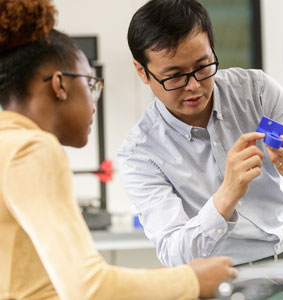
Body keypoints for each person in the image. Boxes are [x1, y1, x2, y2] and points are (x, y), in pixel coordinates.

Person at [0, 1, 237, 299]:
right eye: (91, 84)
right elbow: (90, 289)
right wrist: (192, 281)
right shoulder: (32, 149)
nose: (93, 102)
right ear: (60, 85)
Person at [118, 0, 283, 267]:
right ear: (142, 71)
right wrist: (226, 196)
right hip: (229, 282)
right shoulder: (140, 153)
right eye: (174, 76)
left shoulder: (257, 92)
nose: (194, 86)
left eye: (203, 66)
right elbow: (175, 254)